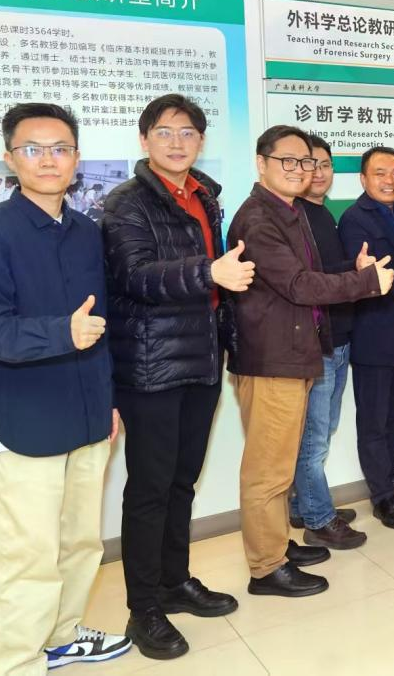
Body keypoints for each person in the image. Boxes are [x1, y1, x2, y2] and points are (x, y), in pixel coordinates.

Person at [0, 103, 132, 674]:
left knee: (80, 543)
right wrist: (62, 333)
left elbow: (101, 325)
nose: (49, 160)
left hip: (86, 415)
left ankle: (60, 637)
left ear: (77, 158)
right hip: (20, 420)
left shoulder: (86, 232)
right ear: (10, 158)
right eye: (33, 149)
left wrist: (108, 401)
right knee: (23, 555)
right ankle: (17, 662)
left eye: (61, 148)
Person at [102, 94, 251, 659]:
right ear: (144, 140)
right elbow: (135, 276)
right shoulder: (126, 203)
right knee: (150, 489)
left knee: (183, 481)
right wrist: (208, 271)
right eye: (164, 132)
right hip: (151, 365)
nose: (177, 142)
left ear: (201, 141)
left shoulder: (203, 196)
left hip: (202, 359)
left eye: (187, 132)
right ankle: (143, 609)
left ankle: (174, 581)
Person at [226, 126, 391, 598]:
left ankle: (278, 546)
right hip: (271, 359)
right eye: (287, 160)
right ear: (261, 163)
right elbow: (299, 285)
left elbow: (308, 278)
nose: (299, 169)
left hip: (295, 353)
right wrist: (366, 283)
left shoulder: (290, 212)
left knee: (283, 465)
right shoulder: (258, 219)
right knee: (267, 471)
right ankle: (266, 568)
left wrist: (353, 275)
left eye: (306, 161)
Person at [287, 134, 372, 550]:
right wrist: (356, 273)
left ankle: (303, 504)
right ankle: (319, 518)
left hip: (340, 338)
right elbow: (309, 281)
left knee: (323, 429)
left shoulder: (324, 214)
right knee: (314, 436)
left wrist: (353, 269)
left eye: (324, 164)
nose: (317, 172)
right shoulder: (294, 217)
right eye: (309, 164)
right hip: (316, 343)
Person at [338, 147, 394, 530]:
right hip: (374, 332)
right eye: (380, 173)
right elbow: (364, 275)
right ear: (363, 178)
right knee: (373, 420)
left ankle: (390, 476)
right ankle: (382, 496)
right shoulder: (354, 219)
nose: (389, 181)